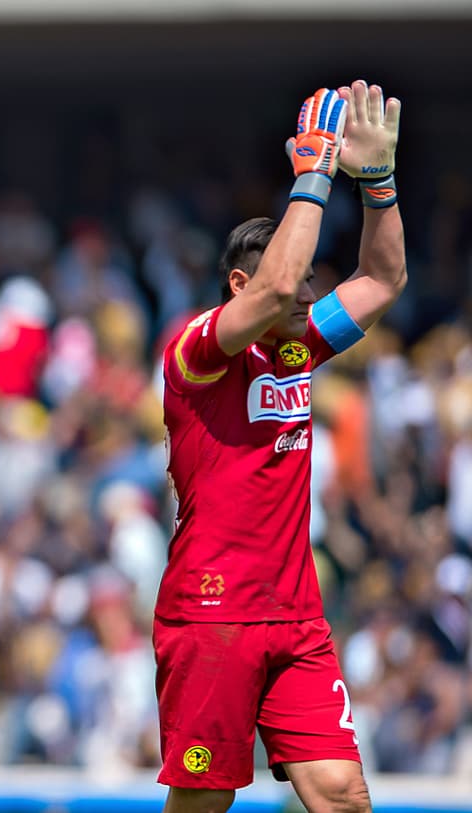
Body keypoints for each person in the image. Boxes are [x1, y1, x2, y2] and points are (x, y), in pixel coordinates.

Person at [157, 81, 406, 813]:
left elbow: (383, 279)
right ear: (241, 285)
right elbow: (271, 297)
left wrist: (379, 183)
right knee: (205, 801)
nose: (307, 302)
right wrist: (315, 173)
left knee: (341, 794)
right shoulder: (195, 355)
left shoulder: (296, 350)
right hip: (210, 614)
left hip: (296, 618)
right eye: (296, 287)